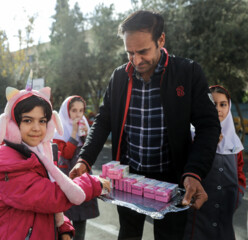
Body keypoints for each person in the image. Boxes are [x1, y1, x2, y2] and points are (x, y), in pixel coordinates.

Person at [69, 10, 221, 239]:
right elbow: (103, 121)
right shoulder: (119, 77)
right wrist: (85, 159)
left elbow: (209, 126)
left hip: (172, 178)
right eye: (130, 53)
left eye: (143, 52)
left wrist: (194, 172)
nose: (136, 60)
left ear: (161, 40)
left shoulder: (187, 72)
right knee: (128, 234)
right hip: (128, 176)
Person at [0, 87, 110, 240]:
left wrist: (63, 226)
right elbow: (51, 197)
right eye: (27, 120)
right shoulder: (10, 165)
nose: (36, 128)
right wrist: (93, 183)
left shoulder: (40, 153)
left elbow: (45, 203)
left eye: (42, 121)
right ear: (12, 125)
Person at [184, 85, 246, 239]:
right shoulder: (190, 136)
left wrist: (237, 196)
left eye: (223, 104)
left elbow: (240, 175)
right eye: (213, 104)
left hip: (224, 219)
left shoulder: (234, 143)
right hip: (196, 217)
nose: (218, 109)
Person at [53, 96, 99, 240]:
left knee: (81, 216)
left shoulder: (84, 123)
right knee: (63, 220)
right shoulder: (58, 129)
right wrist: (74, 132)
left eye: (81, 110)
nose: (78, 115)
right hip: (66, 175)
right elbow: (66, 154)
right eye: (74, 110)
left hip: (82, 175)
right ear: (67, 111)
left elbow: (89, 151)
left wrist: (85, 136)